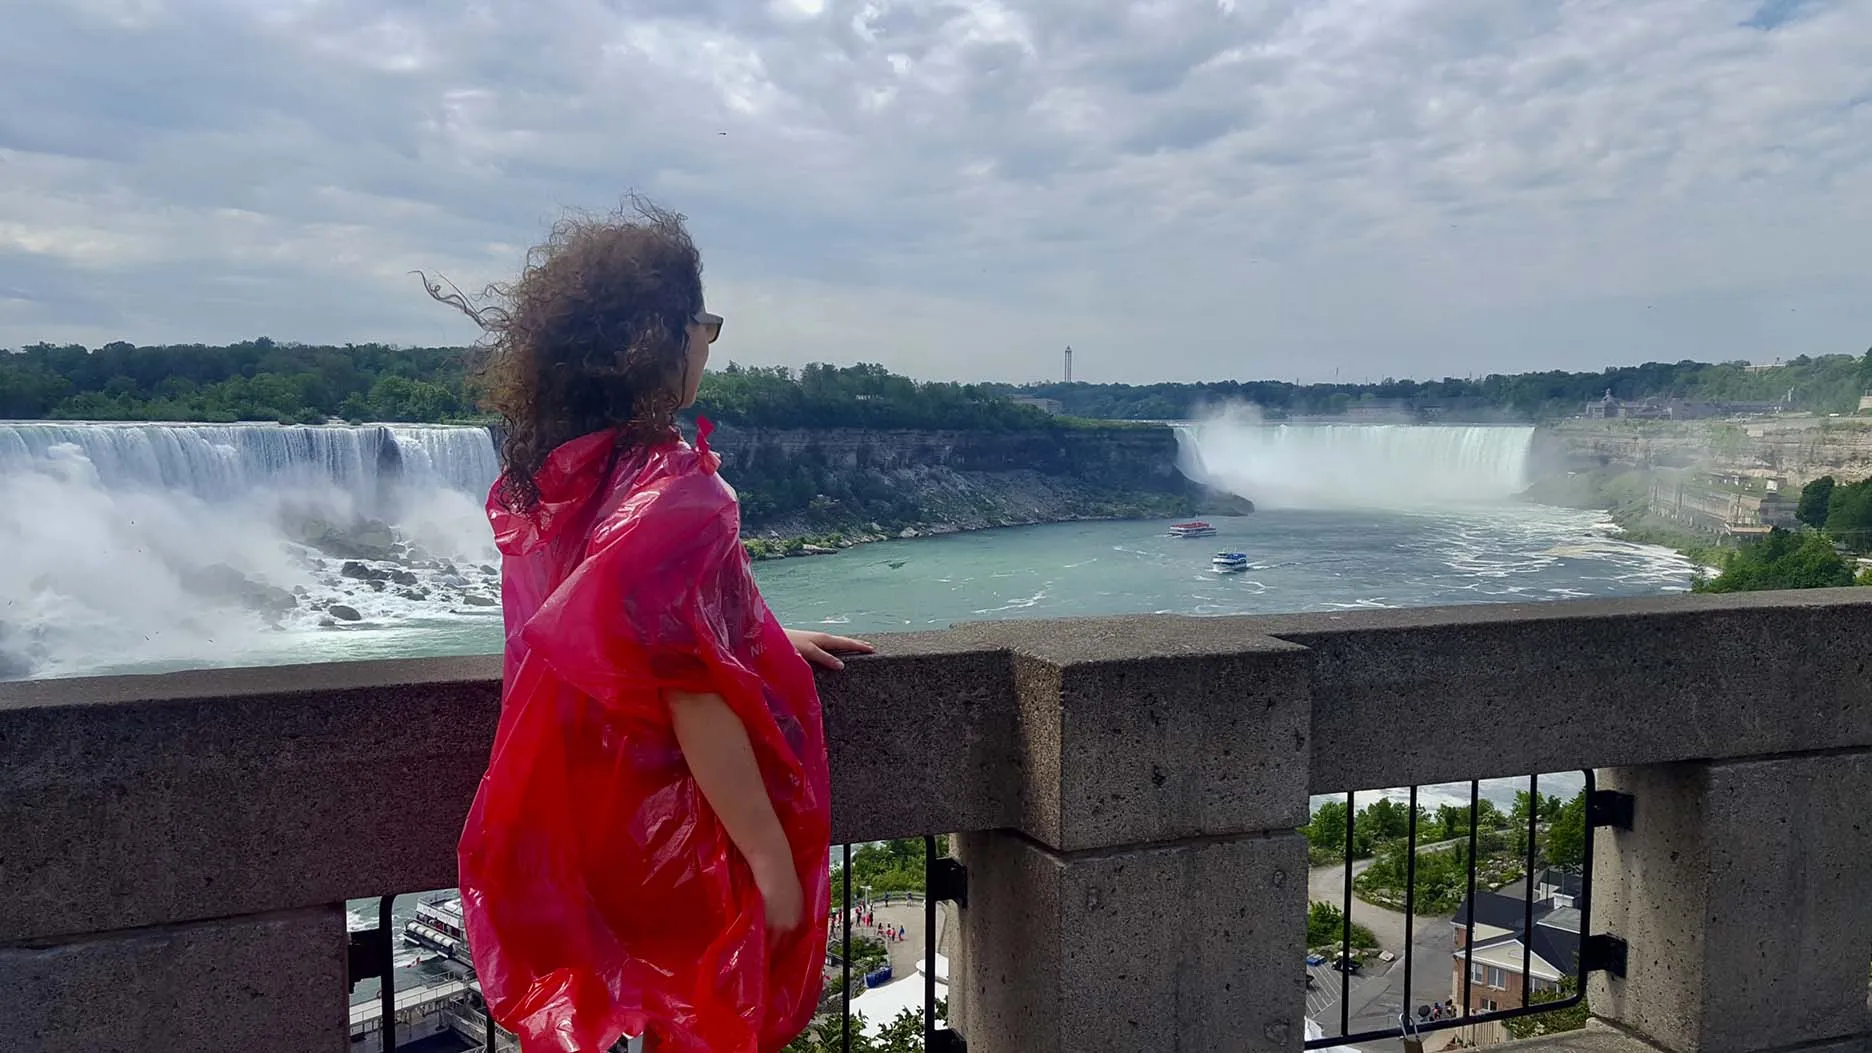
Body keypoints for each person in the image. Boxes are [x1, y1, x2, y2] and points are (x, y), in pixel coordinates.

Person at [434, 198, 872, 1053]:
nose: (711, 340)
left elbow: (636, 622)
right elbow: (687, 688)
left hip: (573, 819)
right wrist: (772, 861)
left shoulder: (567, 476)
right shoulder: (671, 489)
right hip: (667, 833)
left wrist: (766, 640)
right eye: (703, 322)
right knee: (702, 1017)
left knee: (616, 1021)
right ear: (661, 339)